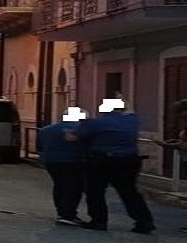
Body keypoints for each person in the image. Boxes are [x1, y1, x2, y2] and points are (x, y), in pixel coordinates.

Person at [67, 98, 155, 234]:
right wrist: (122, 100)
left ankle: (99, 221)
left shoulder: (95, 124)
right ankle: (144, 221)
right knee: (129, 192)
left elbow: (72, 138)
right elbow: (130, 110)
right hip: (128, 161)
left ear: (103, 110)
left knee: (95, 191)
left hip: (100, 161)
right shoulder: (132, 121)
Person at [38, 109, 87, 226]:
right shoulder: (79, 130)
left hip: (51, 162)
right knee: (73, 187)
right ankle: (67, 214)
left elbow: (40, 146)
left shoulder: (46, 130)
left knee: (59, 185)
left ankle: (60, 211)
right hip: (72, 161)